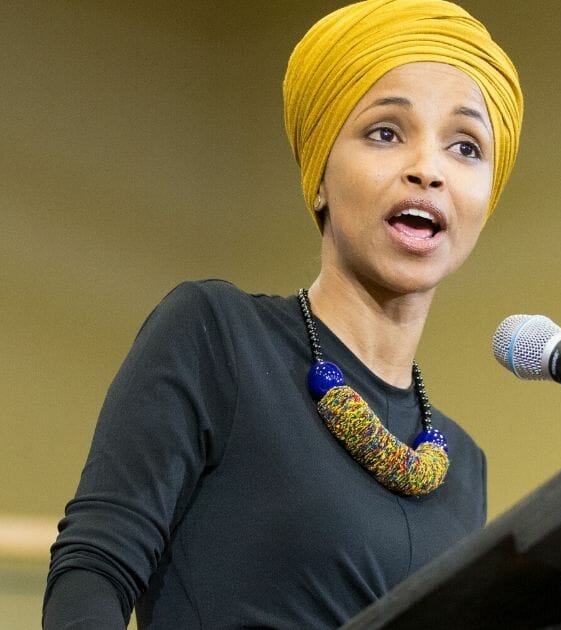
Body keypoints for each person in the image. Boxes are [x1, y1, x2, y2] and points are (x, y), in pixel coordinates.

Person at [43, 0, 522, 627]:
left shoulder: (463, 466)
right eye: (385, 133)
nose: (427, 170)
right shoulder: (218, 336)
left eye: (465, 147)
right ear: (318, 173)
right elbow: (94, 571)